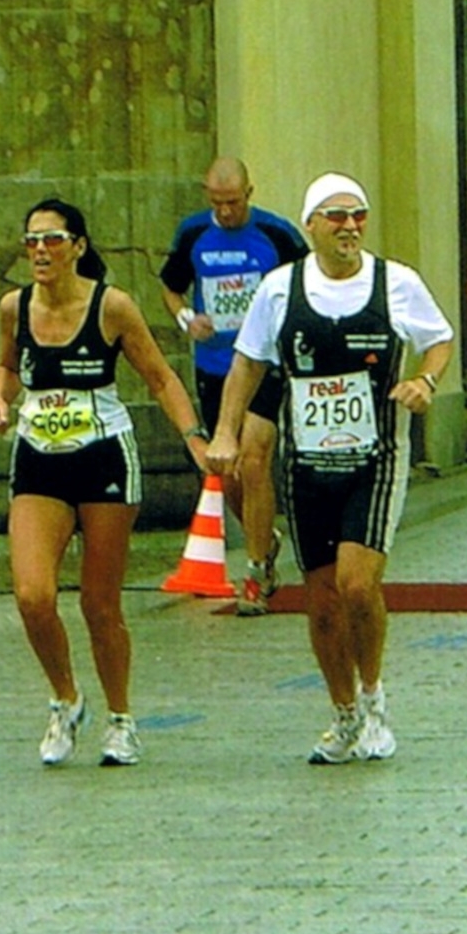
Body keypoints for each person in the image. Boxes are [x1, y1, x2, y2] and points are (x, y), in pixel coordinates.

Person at [206, 173, 454, 764]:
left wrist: (425, 379)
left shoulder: (396, 283)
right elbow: (247, 365)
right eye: (336, 216)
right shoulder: (278, 289)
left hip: (375, 459)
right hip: (308, 463)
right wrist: (224, 431)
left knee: (356, 584)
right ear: (311, 224)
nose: (349, 227)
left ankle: (373, 700)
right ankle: (342, 713)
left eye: (358, 216)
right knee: (320, 600)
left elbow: (439, 339)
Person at [0, 199, 209, 768]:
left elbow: (159, 377)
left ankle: (121, 718)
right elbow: (8, 366)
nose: (40, 251)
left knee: (99, 604)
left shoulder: (112, 307)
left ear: (78, 247)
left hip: (104, 456)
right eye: (31, 241)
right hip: (39, 457)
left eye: (53, 240)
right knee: (33, 595)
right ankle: (65, 697)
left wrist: (195, 439)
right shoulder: (14, 306)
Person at [158, 158, 310, 615]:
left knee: (255, 456)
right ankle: (265, 533)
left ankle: (257, 567)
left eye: (233, 202)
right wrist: (187, 318)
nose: (224, 212)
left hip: (264, 363)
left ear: (249, 192)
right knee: (228, 470)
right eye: (216, 203)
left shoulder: (276, 233)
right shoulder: (192, 234)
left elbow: (307, 282)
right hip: (215, 364)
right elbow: (170, 288)